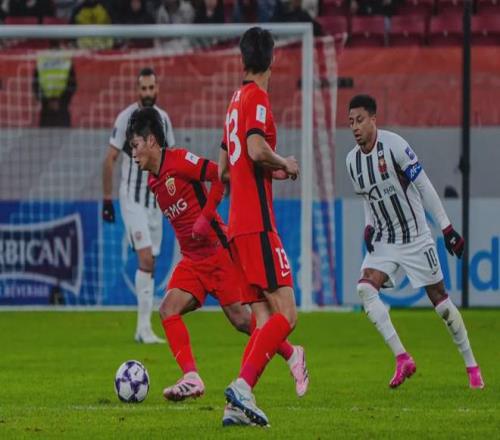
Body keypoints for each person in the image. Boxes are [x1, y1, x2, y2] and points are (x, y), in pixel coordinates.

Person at [126, 107, 308, 415]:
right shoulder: (154, 181)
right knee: (168, 309)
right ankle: (192, 377)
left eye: (135, 145)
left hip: (219, 253)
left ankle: (292, 354)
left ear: (152, 141)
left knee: (243, 321)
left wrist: (206, 217)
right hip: (192, 261)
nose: (133, 154)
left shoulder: (180, 160)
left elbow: (221, 176)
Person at [345, 94, 484, 390]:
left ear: (373, 120)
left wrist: (447, 228)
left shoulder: (395, 146)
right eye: (350, 122)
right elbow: (368, 198)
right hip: (385, 238)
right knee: (365, 288)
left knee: (441, 304)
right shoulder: (352, 162)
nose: (355, 127)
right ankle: (402, 358)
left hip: (416, 237)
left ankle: (472, 365)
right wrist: (369, 225)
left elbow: (424, 186)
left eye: (359, 120)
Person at [219, 27, 305, 427]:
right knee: (287, 314)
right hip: (257, 223)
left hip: (237, 225)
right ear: (272, 59)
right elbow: (255, 148)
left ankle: (235, 406)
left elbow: (224, 168)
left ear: (243, 59)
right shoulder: (257, 98)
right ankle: (242, 386)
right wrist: (284, 162)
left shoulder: (233, 102)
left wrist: (267, 169)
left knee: (264, 319)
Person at [102, 67, 175, 344]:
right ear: (137, 90)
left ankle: (143, 328)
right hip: (131, 198)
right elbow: (110, 159)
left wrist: (173, 196)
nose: (147, 93)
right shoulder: (126, 118)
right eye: (142, 88)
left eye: (150, 88)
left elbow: (170, 160)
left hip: (155, 202)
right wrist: (107, 200)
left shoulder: (164, 119)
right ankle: (143, 328)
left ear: (157, 89)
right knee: (145, 258)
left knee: (151, 262)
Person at [32, 47, 77, 127]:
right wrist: (59, 102)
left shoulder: (42, 59)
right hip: (54, 110)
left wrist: (48, 101)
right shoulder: (65, 60)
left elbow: (35, 85)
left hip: (54, 110)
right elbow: (72, 85)